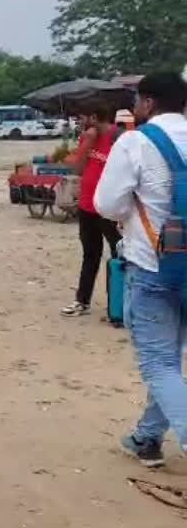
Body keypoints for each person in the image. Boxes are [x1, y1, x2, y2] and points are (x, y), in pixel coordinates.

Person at [93, 72, 187, 468]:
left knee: (160, 362)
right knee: (170, 357)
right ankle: (147, 438)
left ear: (148, 103)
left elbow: (107, 205)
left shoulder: (136, 142)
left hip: (156, 266)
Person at [59, 106, 122, 318]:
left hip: (110, 208)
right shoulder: (88, 138)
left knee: (118, 255)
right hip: (87, 206)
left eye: (83, 117)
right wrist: (86, 143)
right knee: (90, 254)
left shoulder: (118, 138)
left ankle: (118, 304)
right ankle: (82, 301)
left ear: (95, 117)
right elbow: (78, 169)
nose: (80, 122)